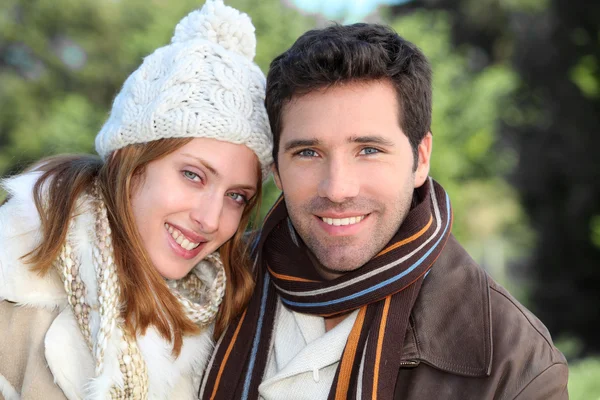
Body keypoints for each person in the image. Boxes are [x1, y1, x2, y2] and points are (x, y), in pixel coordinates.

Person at [199, 23, 569, 400]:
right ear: (276, 168)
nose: (338, 189)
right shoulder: (204, 289)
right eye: (308, 153)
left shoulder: (517, 366)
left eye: (369, 150)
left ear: (420, 158)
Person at [0, 1, 272, 399]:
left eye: (236, 196)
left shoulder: (228, 315)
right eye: (193, 175)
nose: (211, 219)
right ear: (131, 164)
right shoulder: (15, 273)